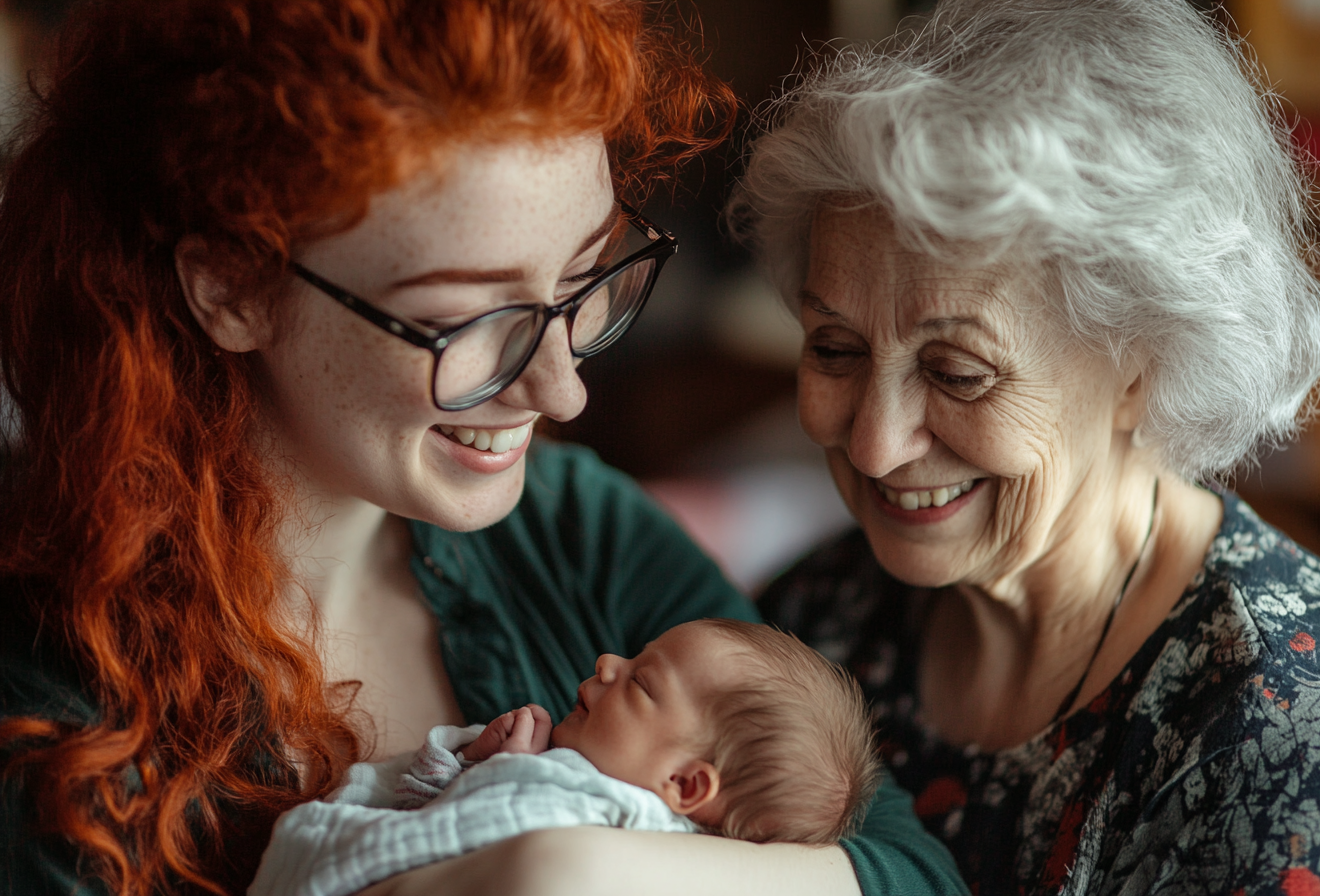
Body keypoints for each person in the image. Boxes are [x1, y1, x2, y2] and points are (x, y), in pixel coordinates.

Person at [0, 2, 969, 895]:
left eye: (586, 280)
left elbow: (910, 872)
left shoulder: (577, 530)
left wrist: (563, 864)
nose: (562, 388)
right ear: (231, 287)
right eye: (471, 321)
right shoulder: (44, 692)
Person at [729, 0, 1320, 893]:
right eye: (835, 348)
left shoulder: (1286, 733)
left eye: (958, 371)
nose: (872, 444)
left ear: (1142, 366)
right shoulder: (818, 620)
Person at [249, 619, 883, 896]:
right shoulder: (561, 772)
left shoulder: (644, 838)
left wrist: (502, 776)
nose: (608, 662)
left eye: (640, 683)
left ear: (685, 784)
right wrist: (472, 761)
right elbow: (421, 813)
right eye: (633, 657)